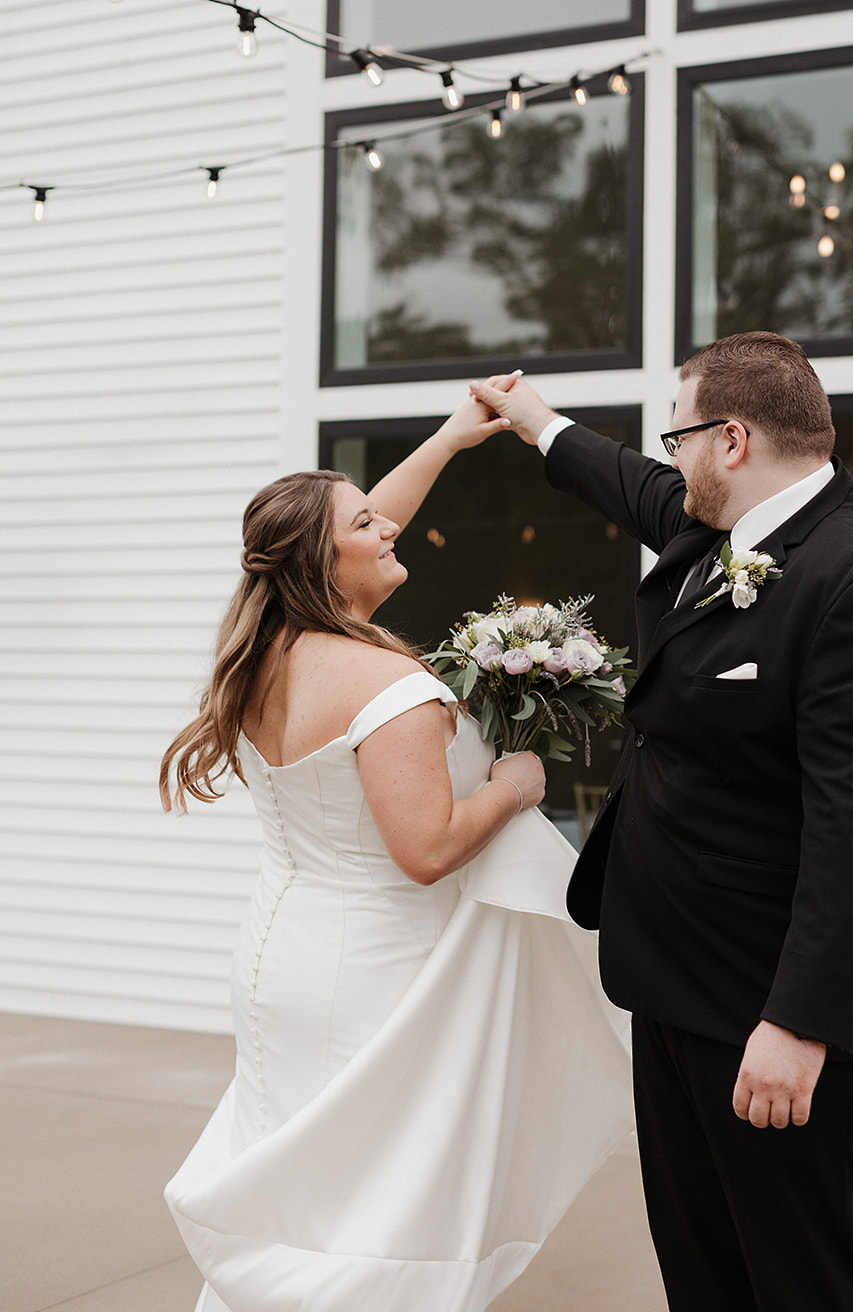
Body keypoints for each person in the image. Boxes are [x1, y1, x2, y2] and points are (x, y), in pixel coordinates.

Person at [472, 332, 853, 1312]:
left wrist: (795, 1025)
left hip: (777, 1014)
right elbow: (631, 485)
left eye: (677, 436)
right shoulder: (717, 528)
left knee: (801, 1284)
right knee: (706, 1276)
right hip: (681, 985)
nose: (668, 459)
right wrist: (530, 421)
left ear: (729, 439)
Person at [160, 399, 633, 1312]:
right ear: (323, 559)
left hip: (282, 956)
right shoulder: (389, 683)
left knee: (306, 1191)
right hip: (378, 967)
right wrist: (513, 787)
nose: (388, 525)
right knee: (375, 1214)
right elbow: (424, 851)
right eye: (366, 524)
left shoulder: (265, 654)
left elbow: (353, 521)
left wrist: (454, 436)